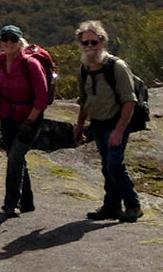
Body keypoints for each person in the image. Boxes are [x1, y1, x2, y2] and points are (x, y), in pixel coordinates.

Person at [73, 20, 142, 223]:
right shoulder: (85, 68)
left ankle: (133, 205)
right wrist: (79, 125)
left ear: (103, 41)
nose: (90, 47)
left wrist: (119, 130)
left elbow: (129, 100)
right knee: (106, 166)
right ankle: (111, 206)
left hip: (116, 122)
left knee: (114, 166)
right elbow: (84, 99)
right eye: (85, 43)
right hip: (98, 123)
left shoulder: (117, 67)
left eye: (94, 42)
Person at [0, 24, 49, 217]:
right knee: (15, 157)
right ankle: (27, 202)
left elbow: (42, 97)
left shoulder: (30, 64)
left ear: (20, 42)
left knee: (15, 158)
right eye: (5, 38)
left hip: (30, 118)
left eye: (13, 39)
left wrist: (29, 122)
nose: (9, 42)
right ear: (0, 41)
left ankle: (10, 203)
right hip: (7, 116)